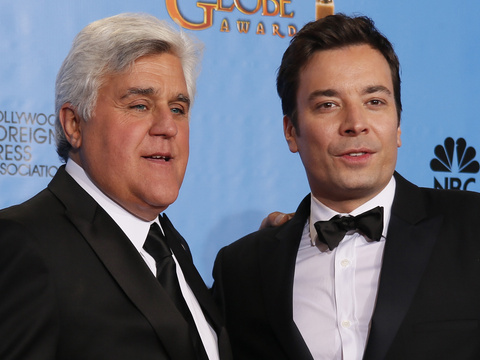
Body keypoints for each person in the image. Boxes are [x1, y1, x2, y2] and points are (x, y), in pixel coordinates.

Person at [212, 14, 480, 360]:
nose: (355, 124)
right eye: (328, 105)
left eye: (375, 102)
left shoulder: (472, 227)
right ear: (291, 131)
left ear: (398, 124)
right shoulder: (242, 270)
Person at [0, 13, 233, 360]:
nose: (168, 126)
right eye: (140, 105)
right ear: (74, 124)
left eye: (178, 108)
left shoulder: (171, 247)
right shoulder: (21, 243)